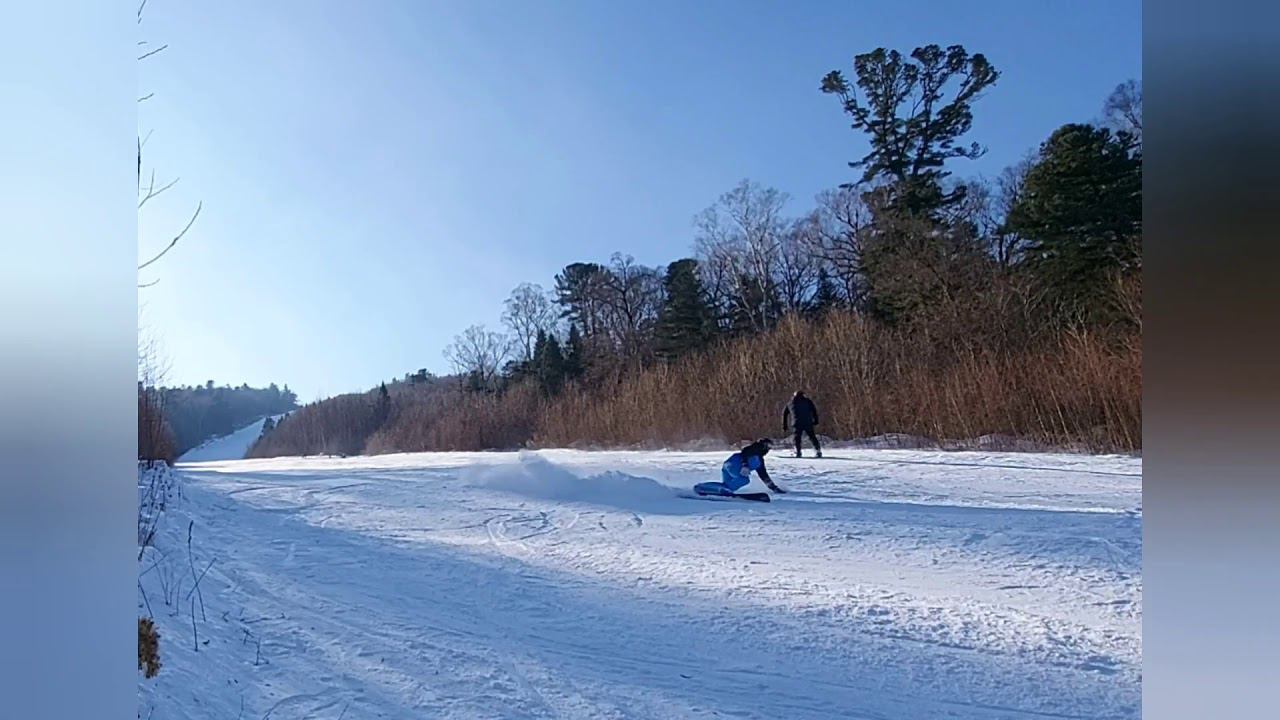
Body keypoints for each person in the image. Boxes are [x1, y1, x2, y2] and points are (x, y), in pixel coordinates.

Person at [695, 438, 785, 496]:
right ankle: (725, 491)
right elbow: (746, 451)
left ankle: (702, 487)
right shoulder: (756, 450)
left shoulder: (759, 458)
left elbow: (763, 476)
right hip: (734, 466)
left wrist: (773, 488)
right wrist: (744, 465)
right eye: (769, 446)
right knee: (744, 480)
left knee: (726, 485)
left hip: (727, 465)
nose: (769, 449)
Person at [783, 390, 822, 458]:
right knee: (812, 437)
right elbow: (814, 410)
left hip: (796, 423)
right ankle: (817, 450)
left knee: (797, 438)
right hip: (808, 422)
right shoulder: (808, 401)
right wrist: (816, 420)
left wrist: (784, 425)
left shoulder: (790, 403)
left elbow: (784, 414)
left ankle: (798, 452)